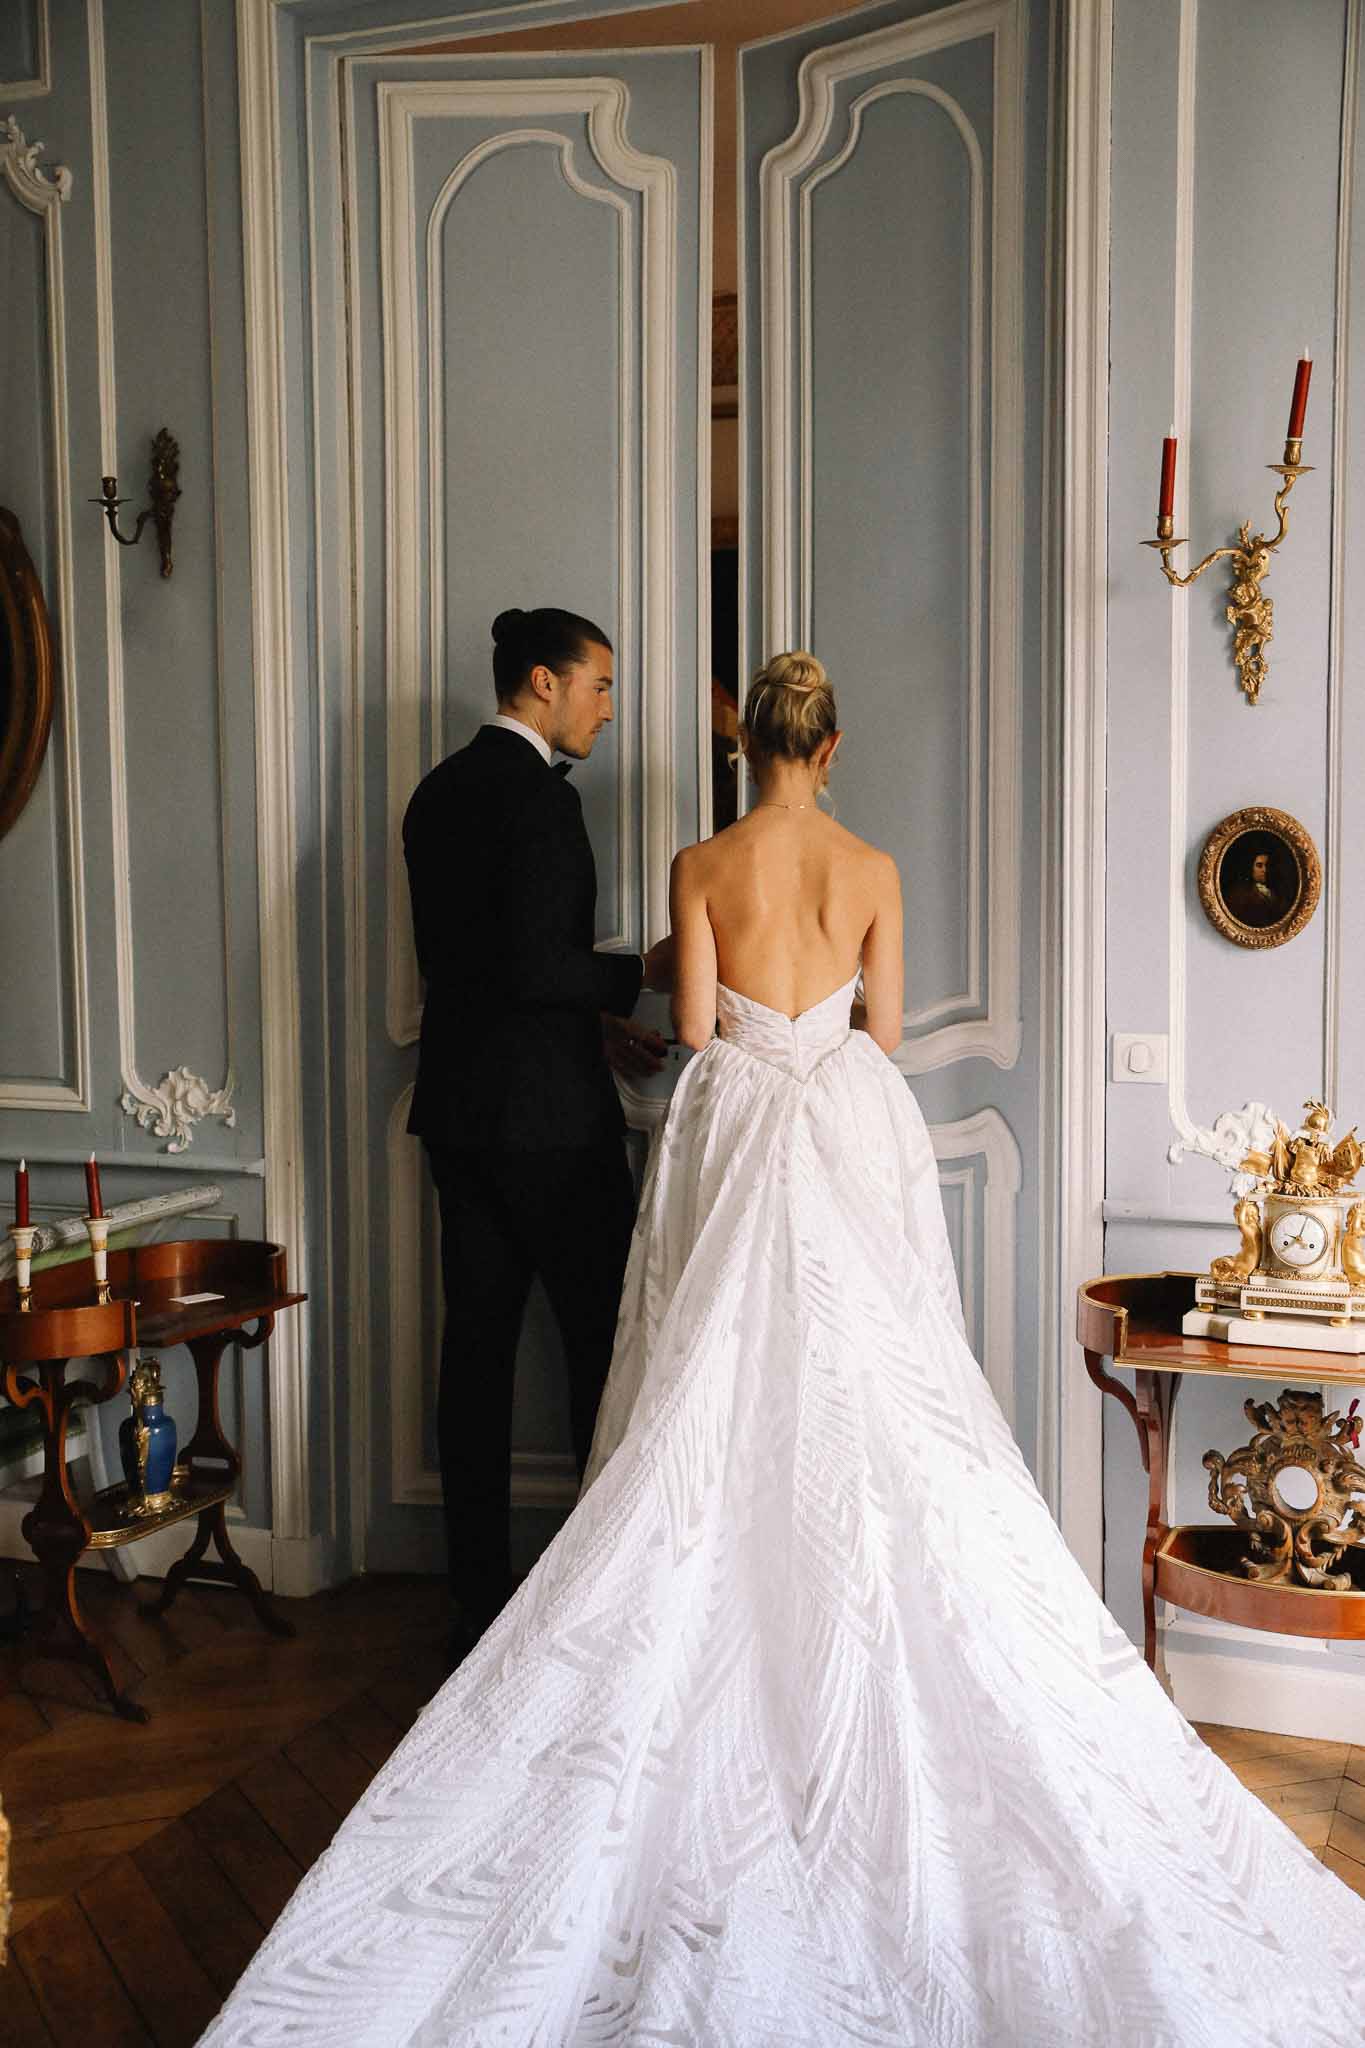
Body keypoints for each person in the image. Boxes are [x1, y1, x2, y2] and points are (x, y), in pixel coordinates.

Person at [202, 653, 1365, 2046]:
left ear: (743, 745)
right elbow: (886, 1027)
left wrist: (748, 1024)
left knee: (712, 1370)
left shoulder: (701, 864)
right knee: (883, 1378)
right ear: (834, 744)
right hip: (847, 1118)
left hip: (740, 1118)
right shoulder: (871, 867)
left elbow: (695, 1027)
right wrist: (822, 1028)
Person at [401, 606, 669, 1665]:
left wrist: (594, 1025)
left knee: (474, 1357)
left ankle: (474, 1607)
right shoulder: (545, 803)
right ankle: (599, 1604)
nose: (607, 707)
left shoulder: (436, 792)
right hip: (550, 1126)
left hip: (460, 1114)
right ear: (545, 683)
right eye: (599, 685)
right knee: (602, 1350)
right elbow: (532, 964)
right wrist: (637, 974)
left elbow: (472, 970)